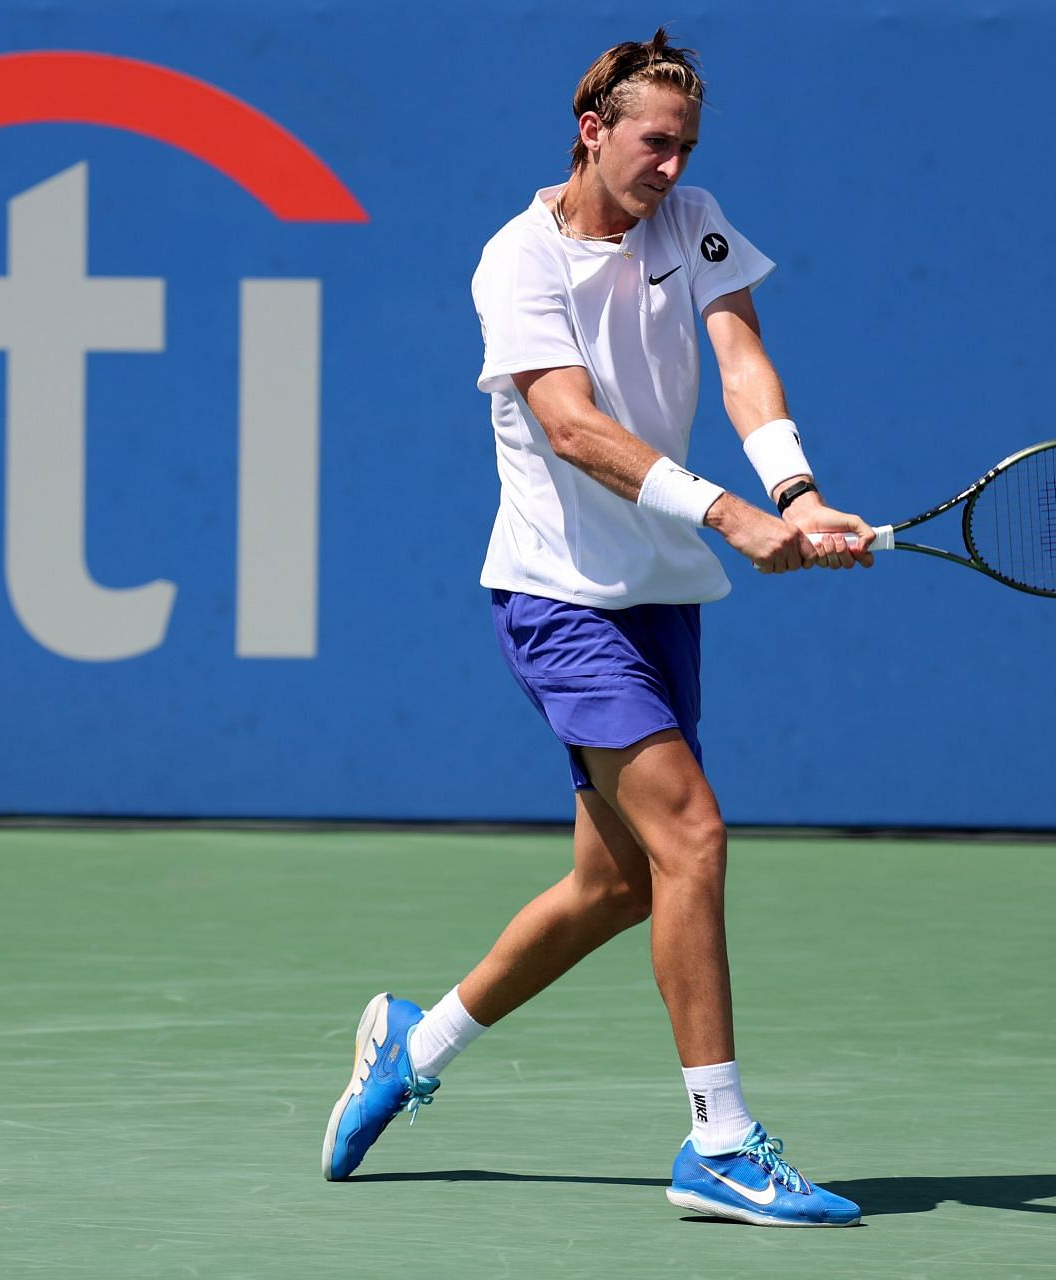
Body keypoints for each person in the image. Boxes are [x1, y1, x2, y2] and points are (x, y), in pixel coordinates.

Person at [321, 31, 873, 1227]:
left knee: (617, 881)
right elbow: (571, 427)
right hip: (560, 595)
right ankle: (720, 1143)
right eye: (653, 143)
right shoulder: (515, 261)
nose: (672, 168)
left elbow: (741, 362)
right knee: (693, 836)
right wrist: (731, 510)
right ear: (594, 131)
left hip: (659, 591)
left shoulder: (694, 218)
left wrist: (795, 492)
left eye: (687, 146)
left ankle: (416, 1045)